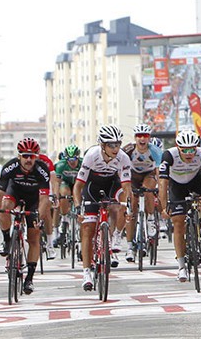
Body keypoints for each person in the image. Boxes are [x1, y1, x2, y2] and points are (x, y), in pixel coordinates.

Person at [74, 125, 132, 291]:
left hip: (112, 183)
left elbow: (127, 186)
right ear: (102, 145)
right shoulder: (91, 155)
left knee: (118, 205)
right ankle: (86, 272)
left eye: (118, 144)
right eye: (111, 145)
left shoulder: (123, 158)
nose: (115, 149)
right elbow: (78, 186)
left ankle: (114, 236)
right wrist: (79, 207)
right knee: (88, 228)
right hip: (92, 185)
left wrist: (126, 206)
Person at [159, 130, 201, 281]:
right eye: (185, 150)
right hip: (176, 185)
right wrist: (163, 206)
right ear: (178, 147)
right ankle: (181, 266)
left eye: (192, 149)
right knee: (178, 223)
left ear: (197, 147)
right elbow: (163, 183)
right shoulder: (169, 155)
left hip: (196, 180)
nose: (188, 153)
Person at [0, 138, 50, 295]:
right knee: (4, 207)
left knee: (34, 238)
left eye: (32, 156)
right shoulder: (10, 167)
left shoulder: (42, 170)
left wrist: (39, 215)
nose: (28, 160)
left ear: (36, 157)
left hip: (34, 200)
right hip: (14, 193)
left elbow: (45, 199)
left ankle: (29, 278)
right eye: (25, 156)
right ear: (19, 156)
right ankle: (7, 239)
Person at [122, 124, 163, 262]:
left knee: (148, 190)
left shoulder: (155, 151)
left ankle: (150, 218)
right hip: (133, 176)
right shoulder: (128, 149)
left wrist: (160, 186)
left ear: (149, 138)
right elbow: (118, 166)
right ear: (135, 138)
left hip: (148, 174)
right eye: (139, 136)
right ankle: (129, 247)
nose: (142, 139)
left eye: (145, 136)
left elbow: (159, 172)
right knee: (131, 211)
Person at [51, 144, 82, 251]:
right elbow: (57, 183)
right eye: (69, 159)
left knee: (80, 193)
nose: (72, 162)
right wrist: (56, 196)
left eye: (74, 159)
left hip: (78, 184)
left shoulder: (83, 164)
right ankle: (64, 220)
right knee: (63, 195)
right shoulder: (61, 165)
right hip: (66, 183)